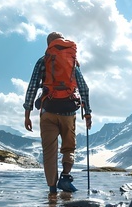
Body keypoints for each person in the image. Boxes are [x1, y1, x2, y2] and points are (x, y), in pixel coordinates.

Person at [23, 31, 92, 194]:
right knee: (69, 148)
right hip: (69, 111)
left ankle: (52, 190)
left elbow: (32, 86)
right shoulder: (73, 61)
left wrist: (27, 113)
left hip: (48, 111)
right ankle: (66, 177)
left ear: (48, 44)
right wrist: (87, 113)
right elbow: (84, 88)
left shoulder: (43, 60)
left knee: (49, 152)